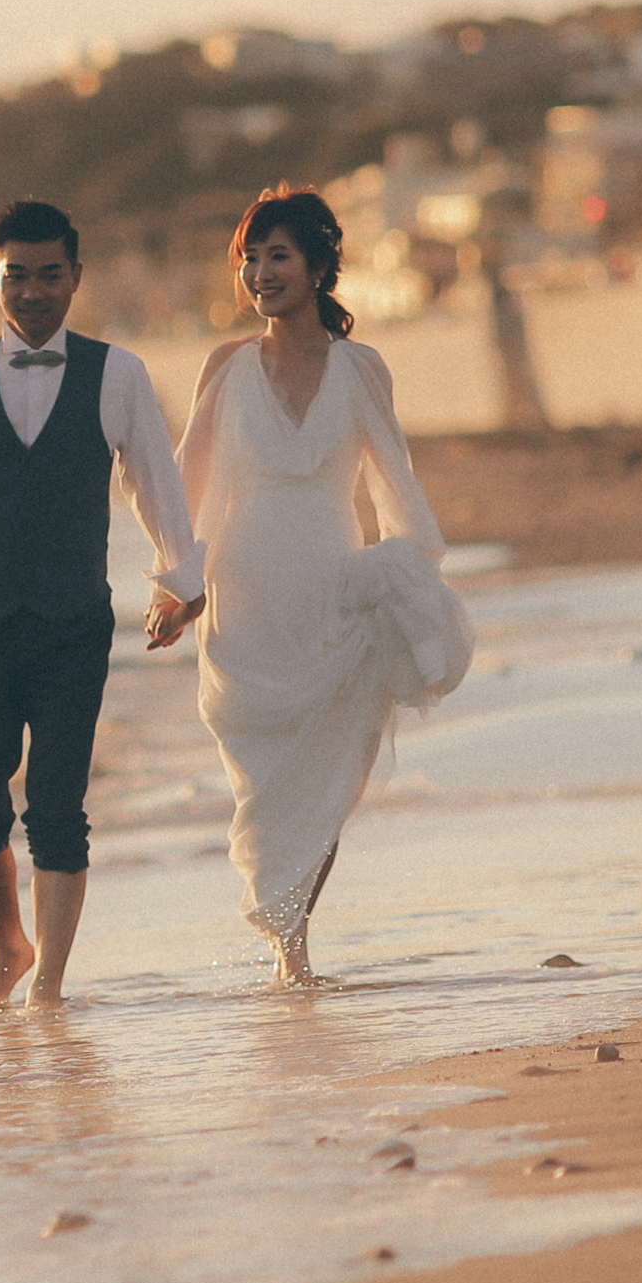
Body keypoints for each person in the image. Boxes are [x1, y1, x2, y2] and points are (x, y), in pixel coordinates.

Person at [0, 200, 204, 1011]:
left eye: (49, 276)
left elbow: (152, 485)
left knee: (59, 804)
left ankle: (51, 989)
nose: (33, 292)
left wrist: (183, 580)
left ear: (75, 279)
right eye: (16, 276)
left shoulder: (119, 374)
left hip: (73, 622)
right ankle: (10, 949)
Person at [181, 188, 476, 986]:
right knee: (263, 778)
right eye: (250, 259)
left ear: (317, 266)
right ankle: (288, 940)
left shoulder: (361, 369)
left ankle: (293, 945)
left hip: (331, 587)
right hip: (244, 594)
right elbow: (190, 485)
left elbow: (392, 476)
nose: (260, 272)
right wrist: (177, 582)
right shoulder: (227, 366)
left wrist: (408, 562)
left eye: (277, 255)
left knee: (329, 770)